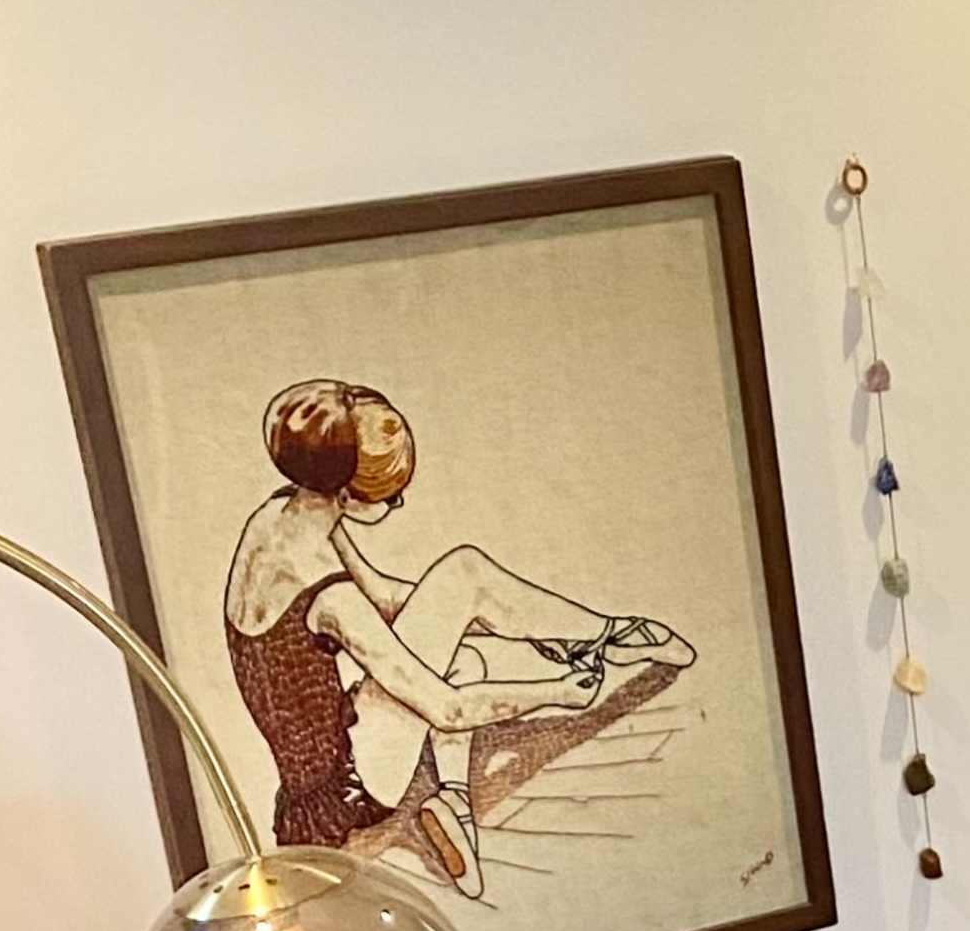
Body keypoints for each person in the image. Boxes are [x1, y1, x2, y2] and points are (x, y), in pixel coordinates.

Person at [220, 380, 692, 898]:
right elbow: (446, 710)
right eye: (390, 496)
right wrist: (557, 691)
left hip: (314, 779)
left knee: (462, 647)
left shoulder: (281, 517)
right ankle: (609, 635)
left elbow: (384, 595)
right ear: (347, 494)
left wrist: (497, 624)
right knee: (465, 581)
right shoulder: (329, 601)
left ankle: (454, 801)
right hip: (346, 791)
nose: (397, 505)